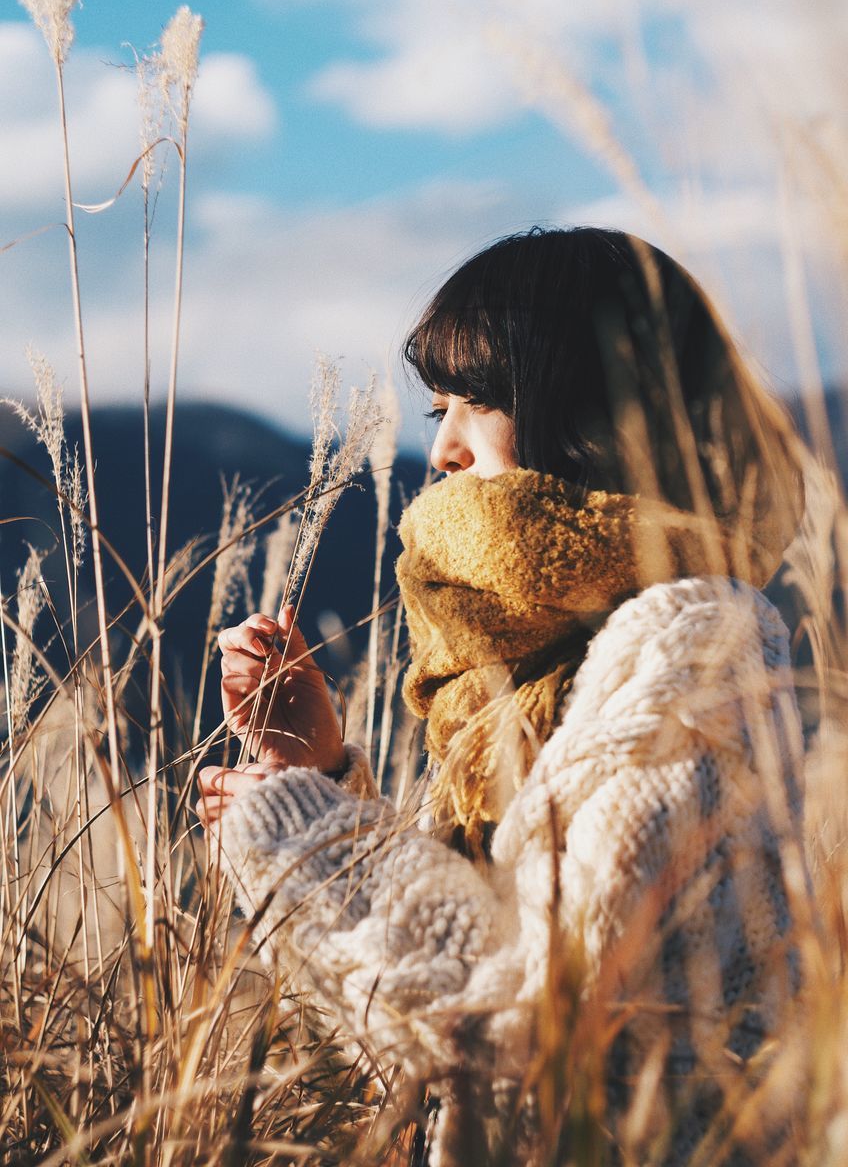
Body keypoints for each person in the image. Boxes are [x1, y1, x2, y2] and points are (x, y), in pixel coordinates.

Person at [196, 227, 807, 1166]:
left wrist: (310, 841)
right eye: (439, 406)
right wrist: (317, 772)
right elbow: (421, 1071)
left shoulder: (693, 650)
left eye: (480, 402)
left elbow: (532, 1033)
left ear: (600, 414)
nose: (441, 449)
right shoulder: (526, 679)